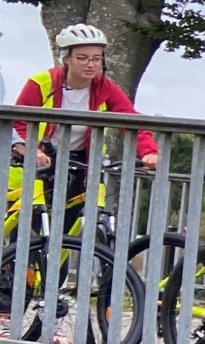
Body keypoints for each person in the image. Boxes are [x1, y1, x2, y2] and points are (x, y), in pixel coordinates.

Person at [10, 23, 160, 208]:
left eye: (97, 59)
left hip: (80, 161)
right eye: (82, 58)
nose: (91, 64)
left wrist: (149, 152)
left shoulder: (105, 87)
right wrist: (30, 150)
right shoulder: (40, 82)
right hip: (39, 159)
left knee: (78, 215)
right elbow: (18, 123)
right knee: (33, 217)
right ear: (66, 58)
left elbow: (130, 119)